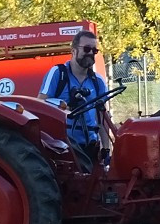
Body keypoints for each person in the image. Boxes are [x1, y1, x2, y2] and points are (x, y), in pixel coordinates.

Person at [39, 29, 111, 163]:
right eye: (87, 49)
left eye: (94, 51)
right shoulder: (57, 74)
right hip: (63, 149)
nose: (90, 53)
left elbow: (102, 119)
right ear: (73, 51)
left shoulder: (98, 82)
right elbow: (40, 107)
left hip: (90, 148)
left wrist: (106, 150)